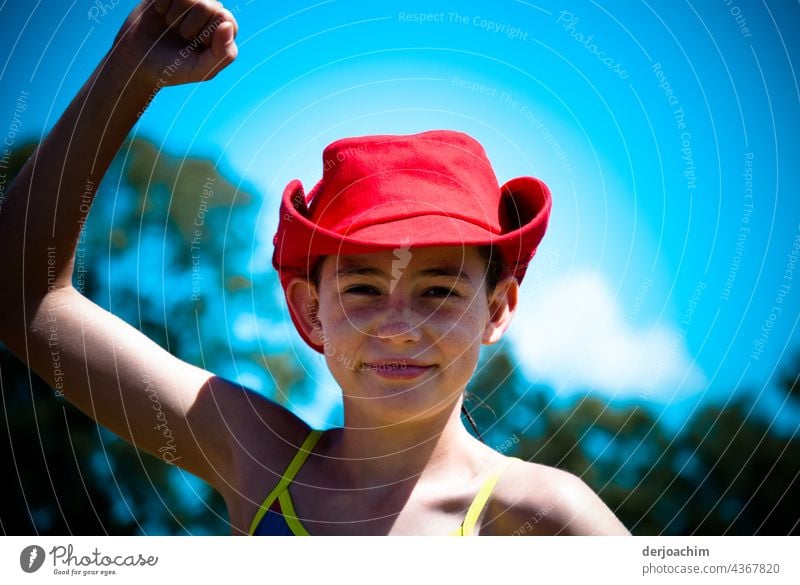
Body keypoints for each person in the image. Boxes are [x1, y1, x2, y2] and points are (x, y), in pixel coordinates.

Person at [0, 0, 630, 536]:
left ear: (496, 309)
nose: (399, 324)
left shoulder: (549, 520)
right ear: (309, 310)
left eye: (438, 289)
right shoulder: (257, 458)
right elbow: (23, 298)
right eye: (361, 287)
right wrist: (129, 70)